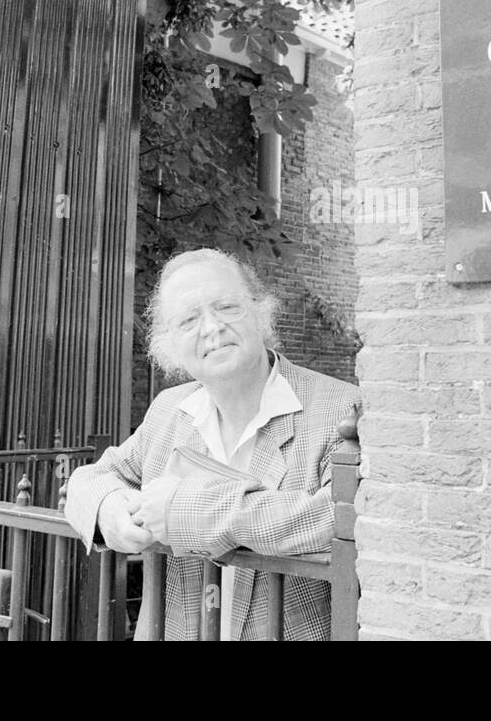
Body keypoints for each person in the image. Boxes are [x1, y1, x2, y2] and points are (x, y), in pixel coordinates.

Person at [63, 247, 361, 640]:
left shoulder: (343, 409)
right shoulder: (170, 409)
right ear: (168, 342)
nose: (211, 328)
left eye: (226, 306)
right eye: (188, 320)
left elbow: (340, 519)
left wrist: (185, 511)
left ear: (261, 312)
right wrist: (108, 511)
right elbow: (90, 478)